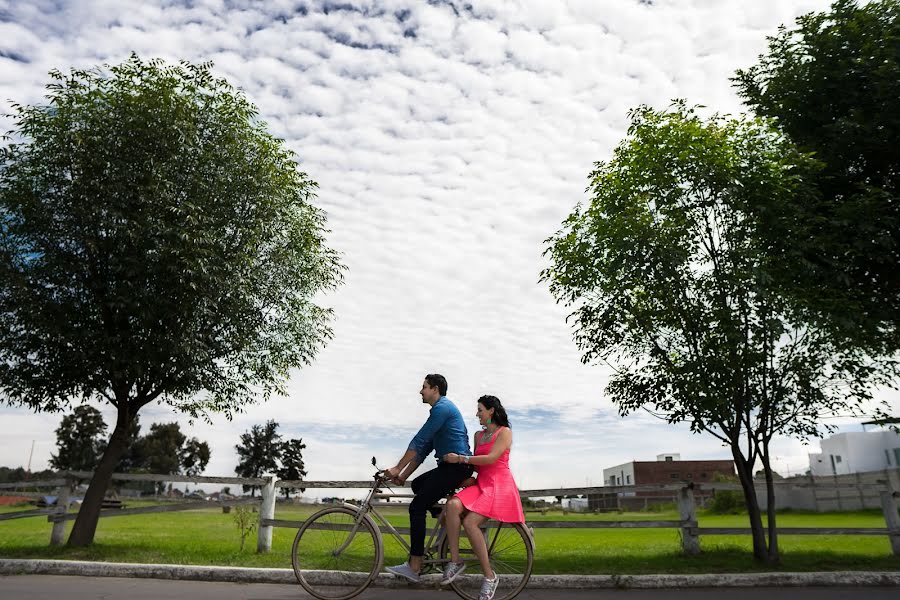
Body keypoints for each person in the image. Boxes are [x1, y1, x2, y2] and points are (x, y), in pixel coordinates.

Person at [384, 374, 473, 583]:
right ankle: (442, 516)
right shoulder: (439, 412)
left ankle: (414, 566)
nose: (420, 391)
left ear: (435, 389)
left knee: (416, 508)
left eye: (424, 387)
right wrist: (403, 476)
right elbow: (422, 450)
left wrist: (397, 467)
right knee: (417, 484)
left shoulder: (442, 409)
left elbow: (419, 439)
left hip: (457, 467)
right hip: (450, 468)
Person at [441, 395, 524, 600]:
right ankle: (455, 561)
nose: (477, 414)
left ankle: (489, 577)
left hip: (499, 484)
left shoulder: (505, 433)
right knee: (452, 505)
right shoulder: (478, 435)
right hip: (482, 483)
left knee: (470, 523)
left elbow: (491, 458)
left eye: (480, 410)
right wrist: (463, 478)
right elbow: (478, 465)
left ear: (491, 411)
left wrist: (460, 458)